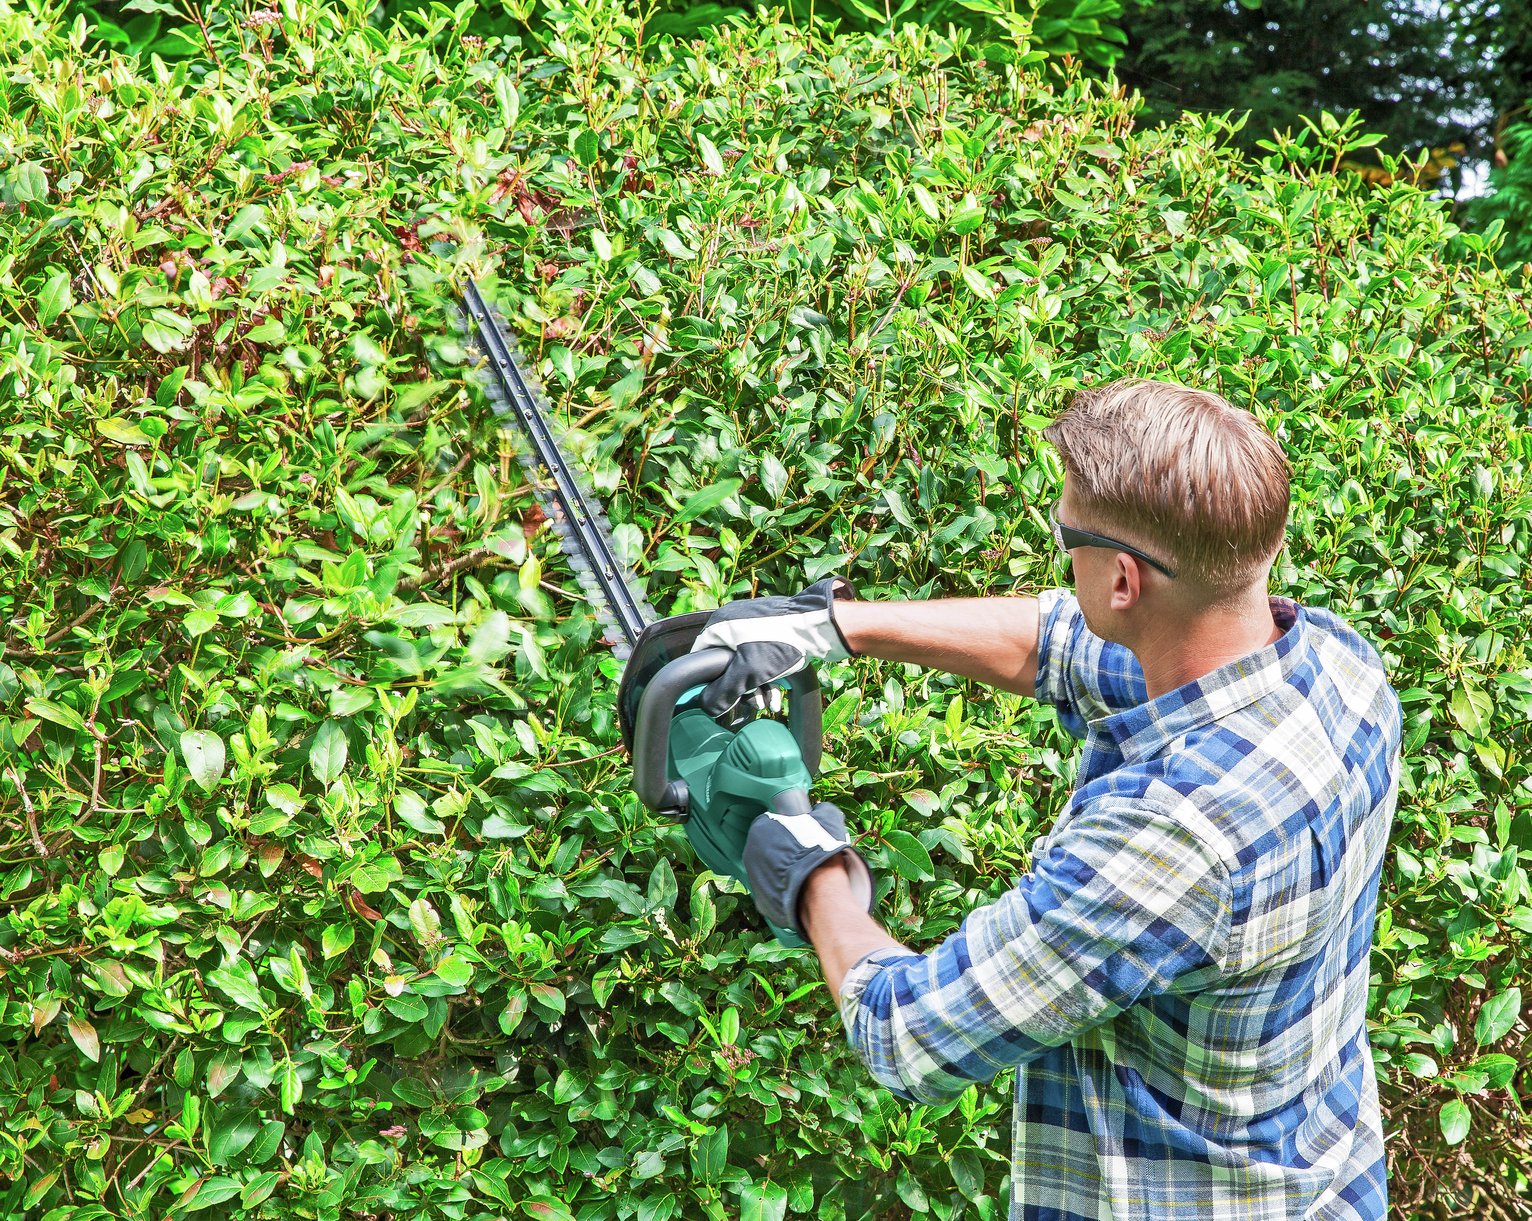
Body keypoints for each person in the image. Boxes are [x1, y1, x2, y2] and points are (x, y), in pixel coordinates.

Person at [688, 378, 1401, 1221]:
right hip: (1321, 1179)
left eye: (1068, 536)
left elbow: (907, 1033)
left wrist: (808, 864)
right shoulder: (1336, 667)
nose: (1063, 554)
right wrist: (835, 626)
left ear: (1125, 580)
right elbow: (1062, 645)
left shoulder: (1169, 841)